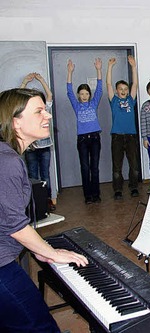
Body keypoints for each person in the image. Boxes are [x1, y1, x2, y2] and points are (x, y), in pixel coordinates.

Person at [0, 88, 88, 332]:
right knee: (39, 324)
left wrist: (38, 250)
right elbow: (15, 225)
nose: (48, 116)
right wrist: (52, 252)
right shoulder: (7, 162)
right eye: (39, 111)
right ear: (15, 122)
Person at [67, 58, 103, 204]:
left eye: (86, 94)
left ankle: (96, 194)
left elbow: (99, 89)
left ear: (89, 95)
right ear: (78, 95)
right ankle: (87, 195)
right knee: (85, 167)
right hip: (82, 140)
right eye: (81, 94)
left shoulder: (93, 103)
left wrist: (99, 70)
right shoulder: (76, 105)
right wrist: (69, 72)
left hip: (95, 138)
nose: (84, 96)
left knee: (94, 167)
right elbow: (68, 91)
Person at [20, 72, 56, 211]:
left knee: (45, 174)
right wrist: (24, 82)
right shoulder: (27, 111)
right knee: (33, 176)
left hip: (45, 146)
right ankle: (35, 204)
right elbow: (18, 100)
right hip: (31, 148)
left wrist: (41, 80)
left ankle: (47, 201)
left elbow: (50, 95)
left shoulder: (45, 109)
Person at [106, 55, 140, 200]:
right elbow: (108, 84)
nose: (124, 91)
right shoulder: (113, 100)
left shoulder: (131, 100)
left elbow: (135, 85)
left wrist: (133, 67)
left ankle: (133, 188)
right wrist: (110, 67)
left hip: (131, 136)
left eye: (125, 89)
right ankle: (118, 190)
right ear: (116, 90)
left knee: (134, 167)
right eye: (121, 89)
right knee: (117, 167)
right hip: (117, 137)